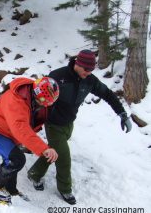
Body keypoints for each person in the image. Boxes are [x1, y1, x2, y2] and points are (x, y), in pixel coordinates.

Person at [27, 50, 132, 205]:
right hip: (53, 124)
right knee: (63, 158)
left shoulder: (89, 80)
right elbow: (39, 96)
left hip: (69, 124)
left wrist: (122, 113)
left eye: (91, 70)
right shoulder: (58, 76)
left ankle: (34, 174)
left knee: (54, 151)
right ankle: (65, 189)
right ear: (78, 63)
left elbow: (107, 94)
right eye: (86, 69)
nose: (88, 73)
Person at [0, 76, 60, 204]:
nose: (46, 105)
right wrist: (44, 149)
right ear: (39, 96)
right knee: (16, 159)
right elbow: (21, 128)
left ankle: (10, 189)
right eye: (46, 102)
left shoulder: (29, 94)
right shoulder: (17, 101)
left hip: (6, 130)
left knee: (13, 159)